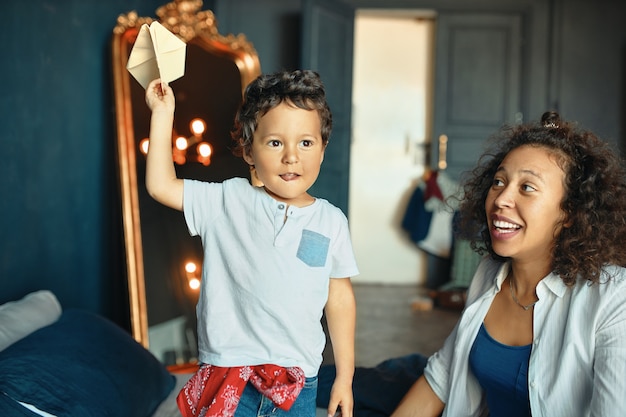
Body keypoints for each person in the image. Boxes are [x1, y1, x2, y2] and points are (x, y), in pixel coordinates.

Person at [144, 70, 358, 417]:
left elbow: (339, 299)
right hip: (229, 375)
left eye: (306, 142)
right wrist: (162, 111)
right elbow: (160, 185)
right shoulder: (226, 200)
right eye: (275, 142)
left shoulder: (331, 221)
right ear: (248, 150)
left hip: (298, 383)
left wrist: (345, 376)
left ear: (323, 149)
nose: (292, 156)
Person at [386, 111, 626, 417]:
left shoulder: (614, 298)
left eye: (527, 187)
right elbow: (441, 378)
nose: (501, 199)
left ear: (569, 212)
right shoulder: (489, 272)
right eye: (499, 182)